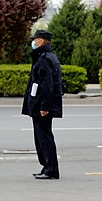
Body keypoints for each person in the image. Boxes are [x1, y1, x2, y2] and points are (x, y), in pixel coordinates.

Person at [22, 29, 63, 180]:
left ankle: (51, 170)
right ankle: (46, 166)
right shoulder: (45, 57)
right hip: (39, 104)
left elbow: (47, 85)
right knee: (41, 138)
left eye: (35, 39)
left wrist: (45, 107)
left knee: (45, 138)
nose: (33, 42)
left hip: (42, 105)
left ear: (41, 41)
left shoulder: (45, 59)